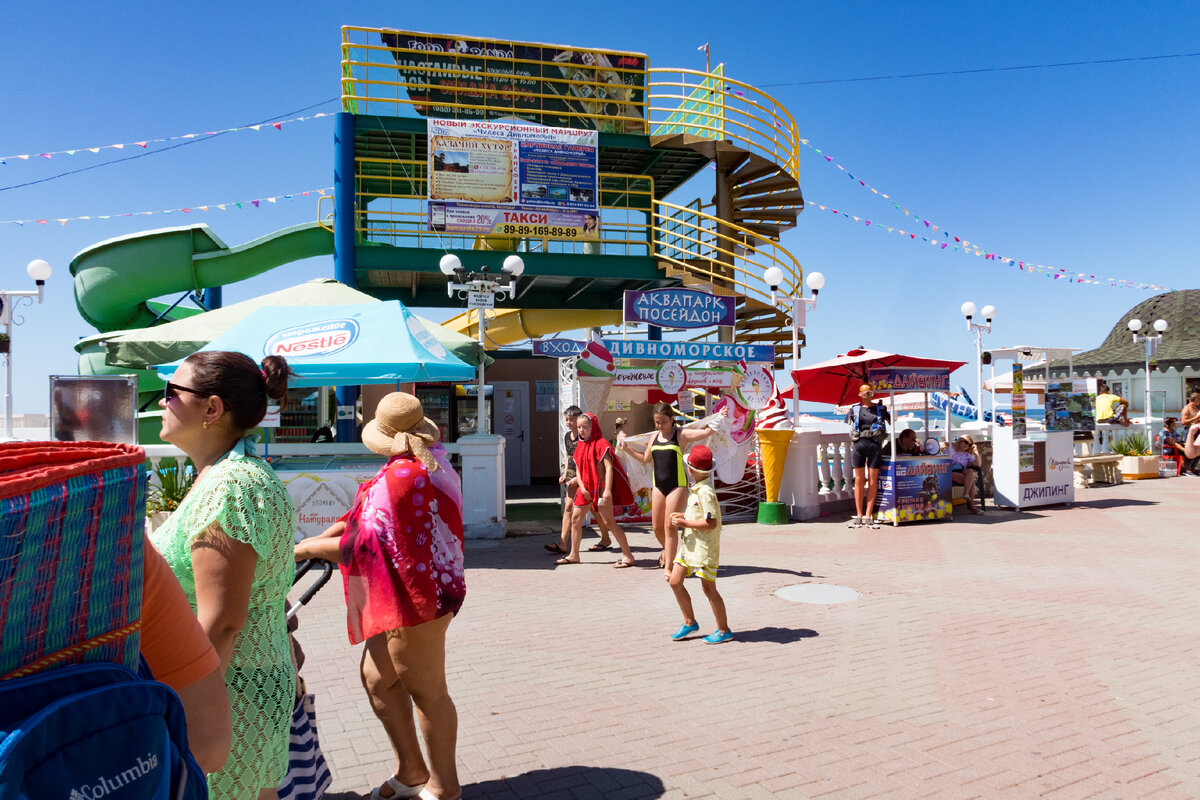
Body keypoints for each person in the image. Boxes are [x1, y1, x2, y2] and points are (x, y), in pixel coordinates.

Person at [294, 392, 465, 800]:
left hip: (417, 594)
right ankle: (411, 771)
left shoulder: (403, 476)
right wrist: (321, 538)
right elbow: (361, 520)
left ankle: (444, 787)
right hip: (413, 587)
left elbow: (367, 542)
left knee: (426, 690)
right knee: (377, 678)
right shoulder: (419, 464)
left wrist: (304, 549)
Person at [149, 351, 298, 800]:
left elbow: (221, 622)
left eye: (171, 393)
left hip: (226, 690)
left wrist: (172, 706)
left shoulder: (234, 485)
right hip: (230, 680)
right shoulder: (221, 476)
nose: (161, 403)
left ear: (212, 409)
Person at [141, 534, 232, 774]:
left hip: (229, 680)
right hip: (209, 684)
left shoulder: (227, 501)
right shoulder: (105, 526)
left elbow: (224, 623)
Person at [621, 402, 723, 573]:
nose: (660, 425)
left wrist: (721, 415)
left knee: (670, 526)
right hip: (658, 485)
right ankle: (670, 553)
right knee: (656, 528)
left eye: (663, 421)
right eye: (657, 422)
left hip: (677, 485)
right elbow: (646, 459)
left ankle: (669, 566)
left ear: (671, 419)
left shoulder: (680, 434)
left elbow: (706, 431)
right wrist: (627, 449)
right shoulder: (654, 437)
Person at [666, 446, 732, 645]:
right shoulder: (697, 489)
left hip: (704, 549)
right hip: (690, 546)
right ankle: (689, 621)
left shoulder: (706, 492)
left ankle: (723, 629)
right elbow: (701, 516)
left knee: (708, 588)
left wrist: (684, 523)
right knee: (675, 581)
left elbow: (711, 523)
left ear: (690, 470)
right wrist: (685, 516)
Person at [557, 412, 637, 568]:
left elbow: (609, 468)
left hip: (600, 489)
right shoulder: (580, 445)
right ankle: (574, 555)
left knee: (609, 523)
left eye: (585, 427)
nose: (581, 430)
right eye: (579, 427)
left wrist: (607, 490)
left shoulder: (601, 444)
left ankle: (628, 555)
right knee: (575, 519)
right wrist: (582, 486)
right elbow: (579, 469)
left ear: (593, 427)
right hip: (585, 489)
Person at [845, 384, 890, 529]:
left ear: (873, 393)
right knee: (858, 480)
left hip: (875, 446)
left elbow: (891, 421)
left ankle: (869, 514)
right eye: (864, 393)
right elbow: (849, 425)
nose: (867, 395)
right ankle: (859, 515)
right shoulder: (854, 409)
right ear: (860, 394)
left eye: (869, 392)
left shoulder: (881, 409)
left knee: (872, 481)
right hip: (859, 446)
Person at [546, 405, 583, 555]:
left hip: (584, 476)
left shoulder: (584, 436)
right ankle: (562, 543)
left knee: (598, 510)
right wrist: (566, 474)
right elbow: (569, 456)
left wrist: (577, 478)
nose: (568, 422)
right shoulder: (568, 436)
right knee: (568, 507)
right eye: (567, 419)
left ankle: (606, 538)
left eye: (571, 420)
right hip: (572, 475)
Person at [951, 434, 983, 514]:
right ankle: (972, 507)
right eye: (966, 442)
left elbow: (978, 464)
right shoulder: (950, 449)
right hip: (950, 472)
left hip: (961, 472)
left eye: (969, 445)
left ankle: (966, 493)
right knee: (971, 481)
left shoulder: (967, 455)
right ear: (960, 441)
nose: (967, 445)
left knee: (970, 472)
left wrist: (976, 452)